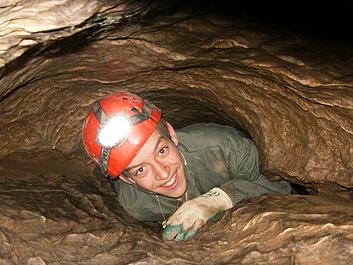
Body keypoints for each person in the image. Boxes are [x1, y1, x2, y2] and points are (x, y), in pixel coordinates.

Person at [82, 92, 293, 241]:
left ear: (172, 135)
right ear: (127, 180)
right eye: (140, 170)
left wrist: (220, 199)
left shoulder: (228, 150)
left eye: (161, 151)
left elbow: (282, 190)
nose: (163, 173)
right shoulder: (137, 206)